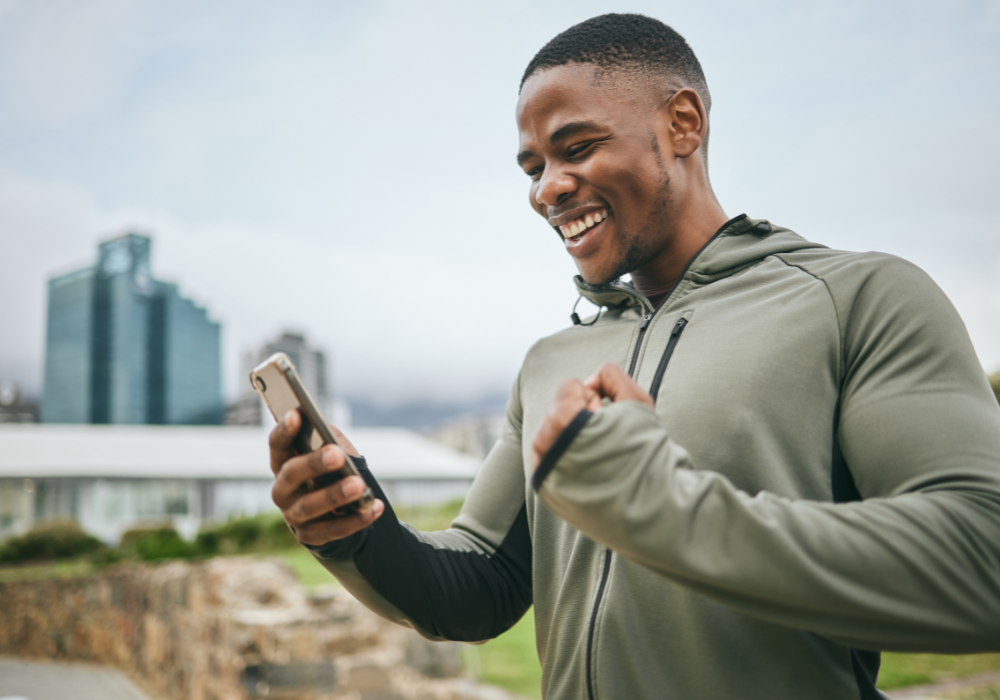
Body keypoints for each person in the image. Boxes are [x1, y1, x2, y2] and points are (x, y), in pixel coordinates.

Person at [267, 13, 1000, 700]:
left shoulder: (858, 299)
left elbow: (981, 561)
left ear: (683, 123)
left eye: (576, 148)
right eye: (532, 167)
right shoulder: (552, 361)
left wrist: (661, 506)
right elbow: (482, 585)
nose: (547, 189)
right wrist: (358, 532)